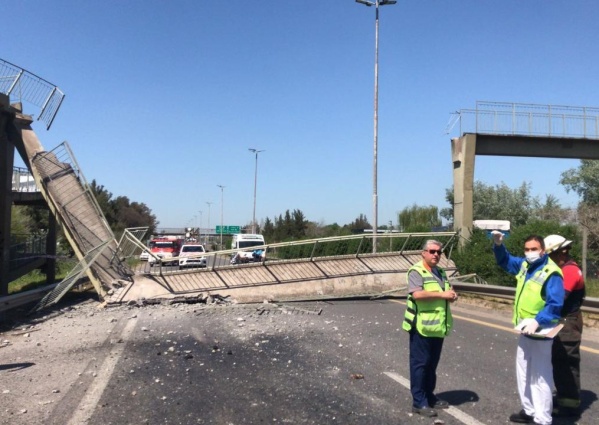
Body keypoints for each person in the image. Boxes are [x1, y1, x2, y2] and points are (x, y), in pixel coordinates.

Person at [491, 231, 565, 425]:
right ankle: (529, 410)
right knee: (523, 373)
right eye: (527, 249)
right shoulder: (525, 265)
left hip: (541, 333)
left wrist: (538, 320)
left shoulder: (552, 272)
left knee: (540, 377)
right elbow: (506, 262)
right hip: (524, 330)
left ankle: (542, 418)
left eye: (534, 249)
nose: (530, 252)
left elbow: (555, 303)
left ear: (542, 250)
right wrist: (499, 245)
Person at [402, 239, 458, 418]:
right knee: (420, 364)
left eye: (439, 252)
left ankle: (429, 396)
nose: (436, 255)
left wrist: (451, 294)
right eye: (432, 251)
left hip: (438, 326)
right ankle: (419, 402)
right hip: (421, 326)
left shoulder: (440, 272)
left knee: (432, 365)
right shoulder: (416, 271)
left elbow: (447, 289)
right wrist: (442, 294)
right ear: (423, 253)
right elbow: (417, 294)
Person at [543, 235, 585, 417]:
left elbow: (558, 299)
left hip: (567, 321)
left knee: (566, 363)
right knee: (559, 361)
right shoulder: (565, 268)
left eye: (550, 255)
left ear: (560, 252)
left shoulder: (569, 271)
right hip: (564, 320)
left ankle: (569, 406)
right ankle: (564, 397)